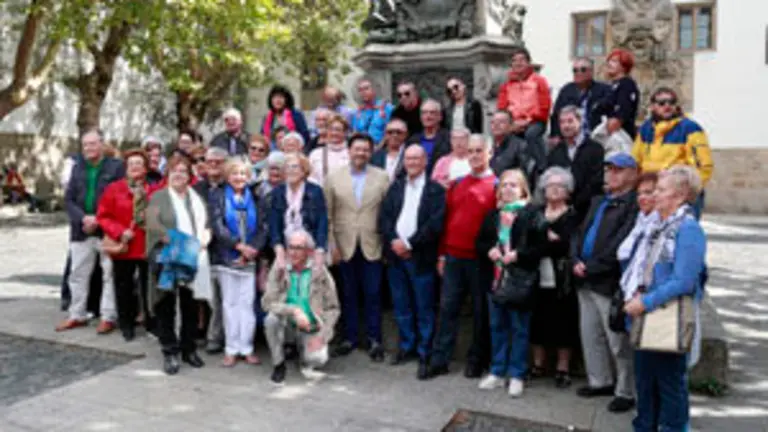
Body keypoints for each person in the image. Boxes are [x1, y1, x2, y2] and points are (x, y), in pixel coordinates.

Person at [622, 166, 707, 432]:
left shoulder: (688, 229)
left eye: (661, 190)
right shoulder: (657, 225)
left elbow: (684, 281)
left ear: (680, 196)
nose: (654, 195)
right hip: (647, 314)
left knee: (670, 387)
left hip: (667, 317)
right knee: (646, 384)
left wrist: (645, 301)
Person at [425, 135, 497, 380]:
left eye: (479, 150)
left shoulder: (497, 186)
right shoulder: (456, 184)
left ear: (490, 152)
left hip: (480, 260)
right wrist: (442, 254)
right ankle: (439, 360)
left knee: (480, 312)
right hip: (453, 257)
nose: (475, 155)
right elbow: (447, 222)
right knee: (447, 309)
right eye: (471, 151)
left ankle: (477, 360)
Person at [572, 152, 639, 413]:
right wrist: (575, 258)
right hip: (584, 278)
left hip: (607, 281)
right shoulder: (599, 200)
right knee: (590, 334)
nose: (611, 174)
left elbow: (620, 243)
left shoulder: (632, 204)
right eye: (609, 169)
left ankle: (625, 391)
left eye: (618, 170)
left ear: (633, 174)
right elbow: (580, 232)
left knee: (617, 341)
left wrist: (592, 267)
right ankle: (600, 380)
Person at [378, 145, 445, 379]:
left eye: (417, 158)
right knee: (402, 305)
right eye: (408, 158)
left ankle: (425, 351)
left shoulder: (435, 190)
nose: (413, 162)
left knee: (424, 307)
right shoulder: (395, 187)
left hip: (420, 256)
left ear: (425, 161)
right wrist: (395, 241)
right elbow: (384, 217)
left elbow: (435, 224)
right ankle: (407, 346)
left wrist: (410, 244)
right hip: (395, 256)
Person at [475, 169, 544, 397]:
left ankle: (516, 374)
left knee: (519, 328)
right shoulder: (493, 215)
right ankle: (497, 371)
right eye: (503, 185)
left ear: (523, 189)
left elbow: (539, 247)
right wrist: (490, 250)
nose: (507, 189)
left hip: (520, 281)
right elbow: (481, 242)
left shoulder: (532, 214)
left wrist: (518, 255)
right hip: (495, 280)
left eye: (513, 185)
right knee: (497, 327)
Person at [325, 133, 390, 361]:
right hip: (343, 244)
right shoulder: (333, 178)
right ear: (349, 151)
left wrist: (386, 243)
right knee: (348, 293)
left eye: (365, 149)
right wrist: (331, 245)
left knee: (373, 294)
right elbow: (328, 215)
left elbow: (387, 213)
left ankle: (374, 340)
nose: (360, 153)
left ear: (371, 152)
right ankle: (349, 339)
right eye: (357, 149)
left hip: (373, 243)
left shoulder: (382, 177)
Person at [145, 154, 211, 375]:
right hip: (168, 256)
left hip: (193, 257)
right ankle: (169, 351)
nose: (178, 175)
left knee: (190, 305)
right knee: (166, 305)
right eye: (174, 171)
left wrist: (204, 238)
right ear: (168, 174)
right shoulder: (158, 197)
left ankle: (188, 349)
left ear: (190, 176)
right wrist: (176, 241)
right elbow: (152, 223)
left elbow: (206, 225)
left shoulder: (197, 199)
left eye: (183, 171)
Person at [57, 129, 124, 334]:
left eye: (93, 144)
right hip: (81, 229)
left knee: (109, 274)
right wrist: (83, 218)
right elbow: (68, 200)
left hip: (106, 230)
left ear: (102, 145)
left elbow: (120, 198)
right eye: (85, 145)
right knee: (77, 273)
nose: (88, 149)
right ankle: (77, 314)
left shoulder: (116, 168)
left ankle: (108, 316)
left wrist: (99, 219)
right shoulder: (77, 168)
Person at [262, 230, 340, 384]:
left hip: (310, 326)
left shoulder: (320, 272)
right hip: (287, 324)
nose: (293, 252)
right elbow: (266, 302)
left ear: (309, 251)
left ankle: (303, 355)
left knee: (318, 358)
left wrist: (323, 335)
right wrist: (294, 310)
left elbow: (333, 308)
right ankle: (279, 364)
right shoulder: (279, 268)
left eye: (299, 248)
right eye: (290, 247)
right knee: (271, 320)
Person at [211, 158, 269, 367]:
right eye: (235, 173)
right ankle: (231, 348)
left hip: (250, 257)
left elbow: (263, 227)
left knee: (247, 304)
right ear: (227, 176)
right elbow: (217, 225)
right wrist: (238, 246)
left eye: (243, 174)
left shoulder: (256, 196)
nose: (239, 178)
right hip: (227, 257)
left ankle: (247, 348)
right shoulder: (217, 195)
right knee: (229, 304)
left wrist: (252, 249)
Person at [529, 167, 580, 389]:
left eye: (560, 186)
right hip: (536, 276)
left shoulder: (573, 215)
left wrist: (548, 242)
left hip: (562, 279)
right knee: (537, 321)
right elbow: (528, 242)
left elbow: (568, 246)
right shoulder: (536, 212)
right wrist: (548, 240)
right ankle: (538, 365)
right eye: (550, 185)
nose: (555, 189)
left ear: (568, 191)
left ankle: (562, 368)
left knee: (564, 323)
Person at [96, 149, 153, 342]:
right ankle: (126, 324)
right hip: (125, 245)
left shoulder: (153, 190)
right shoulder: (114, 189)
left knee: (149, 286)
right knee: (123, 286)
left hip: (146, 246)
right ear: (126, 168)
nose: (135, 167)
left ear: (145, 168)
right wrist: (120, 231)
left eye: (139, 163)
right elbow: (103, 216)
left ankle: (151, 322)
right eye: (131, 164)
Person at [632, 87, 714, 220]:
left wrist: (689, 192)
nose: (667, 106)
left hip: (680, 195)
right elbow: (636, 160)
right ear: (652, 106)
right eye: (662, 103)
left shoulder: (690, 128)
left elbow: (703, 165)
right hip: (653, 192)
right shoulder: (646, 129)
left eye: (672, 102)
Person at [192, 147, 229, 355]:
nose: (214, 165)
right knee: (201, 296)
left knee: (219, 299)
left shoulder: (233, 187)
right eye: (210, 161)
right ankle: (197, 332)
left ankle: (215, 337)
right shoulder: (196, 189)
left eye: (218, 161)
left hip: (224, 250)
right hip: (200, 249)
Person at [546, 105, 606, 225]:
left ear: (580, 122)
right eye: (562, 122)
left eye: (570, 121)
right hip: (560, 212)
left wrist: (576, 204)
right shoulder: (555, 152)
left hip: (587, 210)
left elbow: (596, 181)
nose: (566, 126)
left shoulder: (595, 149)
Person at [270, 153, 328, 271]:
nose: (291, 170)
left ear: (304, 171)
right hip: (286, 247)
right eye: (287, 167)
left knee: (312, 284)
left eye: (295, 167)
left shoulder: (315, 191)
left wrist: (320, 250)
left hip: (310, 246)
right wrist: (279, 249)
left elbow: (322, 222)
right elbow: (274, 223)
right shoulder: (278, 192)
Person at [496, 47, 551, 161]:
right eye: (515, 60)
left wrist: (527, 121)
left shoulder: (539, 81)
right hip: (514, 123)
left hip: (535, 121)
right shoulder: (506, 86)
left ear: (528, 63)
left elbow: (545, 106)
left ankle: (542, 166)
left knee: (531, 135)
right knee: (504, 138)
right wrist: (511, 124)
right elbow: (502, 108)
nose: (518, 63)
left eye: (521, 60)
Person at [549, 58, 611, 144]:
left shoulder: (604, 90)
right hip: (569, 138)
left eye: (583, 70)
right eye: (575, 70)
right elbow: (556, 114)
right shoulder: (566, 90)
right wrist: (554, 135)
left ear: (591, 72)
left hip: (596, 137)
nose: (578, 73)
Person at [596, 48, 640, 139]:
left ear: (624, 66)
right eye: (609, 61)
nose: (609, 64)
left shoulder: (626, 85)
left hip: (618, 138)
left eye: (614, 61)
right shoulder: (613, 86)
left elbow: (620, 116)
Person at [406, 99, 451, 176]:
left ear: (440, 117)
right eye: (424, 113)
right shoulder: (412, 140)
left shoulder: (449, 138)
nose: (428, 116)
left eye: (432, 113)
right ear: (420, 117)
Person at [308, 114, 351, 186]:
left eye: (338, 130)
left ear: (345, 132)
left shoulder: (352, 154)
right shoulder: (315, 154)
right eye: (331, 129)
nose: (334, 133)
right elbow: (310, 178)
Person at [352, 78, 393, 144]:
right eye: (360, 90)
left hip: (381, 148)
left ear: (374, 90)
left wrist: (378, 148)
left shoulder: (386, 108)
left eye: (366, 88)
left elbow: (390, 132)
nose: (363, 92)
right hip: (363, 148)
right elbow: (355, 132)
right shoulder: (357, 112)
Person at [370, 118, 408, 182]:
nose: (394, 135)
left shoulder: (411, 155)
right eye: (390, 132)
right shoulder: (375, 156)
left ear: (405, 134)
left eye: (398, 132)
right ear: (385, 135)